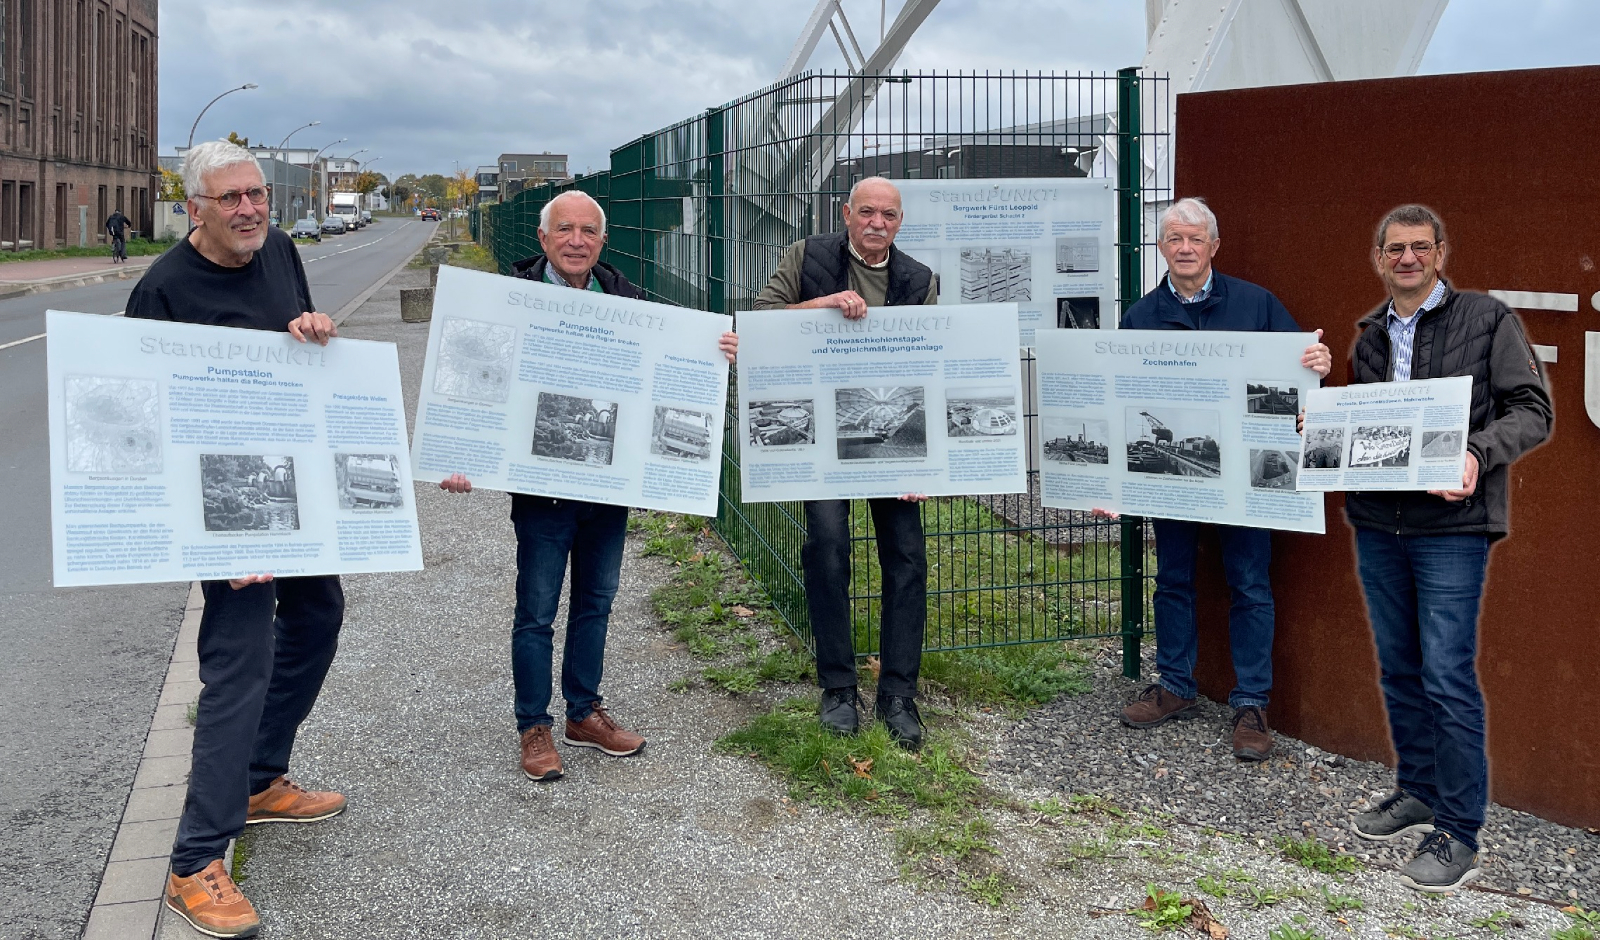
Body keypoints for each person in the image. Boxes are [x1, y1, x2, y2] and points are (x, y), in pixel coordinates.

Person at [440, 190, 737, 783]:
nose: (577, 240)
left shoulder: (626, 299)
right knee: (537, 611)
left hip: (608, 487)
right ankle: (534, 724)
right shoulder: (509, 301)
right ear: (544, 239)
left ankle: (583, 713)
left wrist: (715, 354)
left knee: (596, 602)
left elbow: (661, 370)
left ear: (602, 242)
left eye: (588, 231)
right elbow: (471, 380)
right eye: (565, 230)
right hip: (542, 490)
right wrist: (457, 452)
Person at [128, 140, 343, 939]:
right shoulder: (163, 291)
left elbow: (303, 355)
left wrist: (315, 330)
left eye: (257, 194)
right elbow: (144, 431)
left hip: (291, 491)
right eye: (231, 199)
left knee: (320, 619)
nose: (250, 209)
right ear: (196, 209)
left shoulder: (281, 250)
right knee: (238, 666)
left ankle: (260, 778)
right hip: (221, 514)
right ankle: (194, 862)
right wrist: (216, 538)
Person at [1342, 204, 1551, 892]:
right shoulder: (1369, 337)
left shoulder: (1487, 318)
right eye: (1395, 248)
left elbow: (1533, 410)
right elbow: (1362, 429)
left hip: (1451, 532)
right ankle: (1419, 790)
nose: (1407, 258)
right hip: (1379, 523)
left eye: (1419, 247)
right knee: (1399, 668)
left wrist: (1476, 452)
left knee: (1447, 677)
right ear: (1378, 258)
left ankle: (1459, 829)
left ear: (1440, 252)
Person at [1111, 197, 1331, 762]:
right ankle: (1176, 687)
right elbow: (1119, 396)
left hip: (1245, 479)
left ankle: (1252, 703)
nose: (1184, 249)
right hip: (1173, 483)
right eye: (1174, 239)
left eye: (1194, 239)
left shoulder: (1257, 304)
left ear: (1214, 246)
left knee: (1250, 584)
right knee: (1174, 579)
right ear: (1161, 248)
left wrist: (1316, 369)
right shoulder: (1140, 316)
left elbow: (1296, 374)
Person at [752, 176, 938, 750]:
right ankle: (838, 687)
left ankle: (899, 694)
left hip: (891, 445)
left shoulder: (920, 280)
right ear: (847, 214)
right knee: (827, 547)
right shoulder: (806, 255)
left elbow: (931, 368)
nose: (876, 223)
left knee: (906, 555)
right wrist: (823, 305)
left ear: (899, 221)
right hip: (820, 441)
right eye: (866, 212)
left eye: (888, 214)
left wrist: (928, 463)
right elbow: (761, 318)